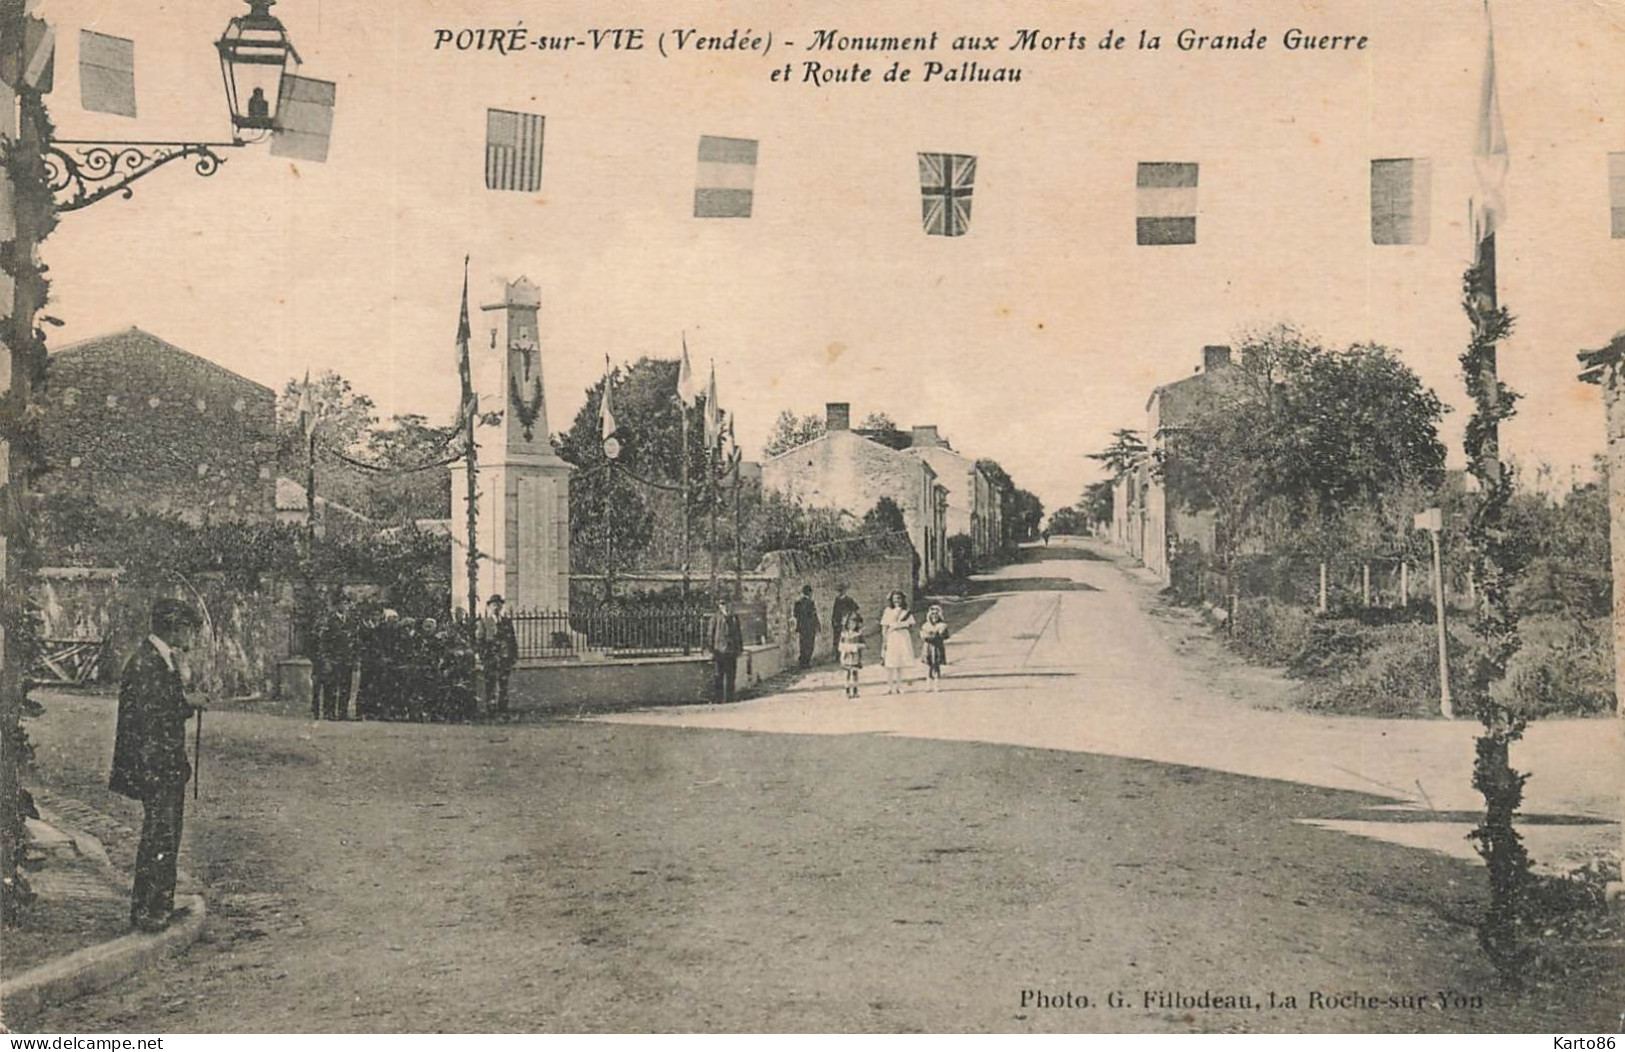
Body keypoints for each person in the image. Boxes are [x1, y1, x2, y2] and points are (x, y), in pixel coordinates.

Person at [109, 598, 206, 933]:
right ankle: (151, 911)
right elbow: (154, 715)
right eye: (189, 629)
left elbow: (163, 705)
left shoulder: (159, 659)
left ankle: (156, 905)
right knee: (160, 837)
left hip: (162, 765)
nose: (192, 636)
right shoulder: (148, 662)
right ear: (174, 627)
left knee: (164, 836)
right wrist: (186, 701)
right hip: (156, 766)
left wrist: (183, 696)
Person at [476, 596, 520, 718]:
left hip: (504, 658)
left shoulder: (507, 621)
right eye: (494, 605)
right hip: (490, 658)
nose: (496, 607)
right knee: (490, 685)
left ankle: (503, 710)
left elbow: (512, 639)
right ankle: (490, 711)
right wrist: (484, 657)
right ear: (489, 607)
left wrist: (513, 656)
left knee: (503, 685)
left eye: (499, 605)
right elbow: (480, 641)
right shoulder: (484, 622)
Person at [315, 589, 354, 721]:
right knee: (331, 687)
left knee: (345, 687)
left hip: (346, 660)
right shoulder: (330, 621)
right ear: (337, 605)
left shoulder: (350, 621)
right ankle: (329, 712)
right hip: (334, 659)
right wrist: (326, 659)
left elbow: (354, 641)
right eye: (343, 603)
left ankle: (343, 712)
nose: (345, 606)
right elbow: (324, 642)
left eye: (347, 604)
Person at [879, 590, 917, 695]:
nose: (897, 601)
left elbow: (911, 625)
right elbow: (884, 626)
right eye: (895, 599)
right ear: (891, 600)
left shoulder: (906, 611)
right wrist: (885, 640)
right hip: (892, 637)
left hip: (903, 637)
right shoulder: (888, 611)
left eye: (899, 598)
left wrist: (902, 625)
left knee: (900, 663)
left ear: (902, 599)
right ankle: (889, 687)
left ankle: (899, 686)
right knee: (890, 663)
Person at [709, 597, 744, 703]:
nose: (725, 606)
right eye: (722, 604)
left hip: (731, 651)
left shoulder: (734, 617)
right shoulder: (715, 618)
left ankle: (730, 698)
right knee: (718, 676)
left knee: (731, 676)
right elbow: (710, 634)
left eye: (727, 604)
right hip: (719, 651)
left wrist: (740, 648)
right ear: (719, 606)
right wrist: (711, 649)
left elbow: (738, 634)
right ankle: (718, 699)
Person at [919, 605, 951, 690]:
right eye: (932, 614)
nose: (934, 616)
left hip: (937, 646)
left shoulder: (942, 625)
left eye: (936, 614)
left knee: (936, 665)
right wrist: (929, 635)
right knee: (929, 665)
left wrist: (936, 635)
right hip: (928, 647)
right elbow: (923, 635)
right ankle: (928, 685)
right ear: (929, 615)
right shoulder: (926, 625)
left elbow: (945, 636)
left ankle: (937, 685)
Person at [838, 612, 866, 699]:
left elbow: (864, 644)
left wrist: (856, 646)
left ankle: (855, 690)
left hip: (855, 656)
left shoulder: (858, 634)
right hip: (846, 656)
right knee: (846, 673)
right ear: (847, 624)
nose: (852, 625)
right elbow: (840, 645)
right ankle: (847, 691)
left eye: (854, 623)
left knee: (854, 673)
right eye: (850, 623)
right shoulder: (844, 634)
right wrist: (844, 649)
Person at [792, 584, 819, 668]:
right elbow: (813, 615)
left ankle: (802, 662)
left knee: (803, 644)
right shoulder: (811, 603)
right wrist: (817, 625)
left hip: (801, 627)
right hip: (810, 627)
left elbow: (795, 614)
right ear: (809, 593)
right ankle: (806, 662)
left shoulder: (798, 603)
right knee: (810, 645)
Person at [830, 584, 859, 658]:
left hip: (845, 622)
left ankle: (845, 654)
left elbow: (856, 608)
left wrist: (848, 615)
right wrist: (833, 620)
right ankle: (837, 655)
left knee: (845, 638)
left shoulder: (848, 600)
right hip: (838, 622)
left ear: (844, 591)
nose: (839, 592)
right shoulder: (837, 600)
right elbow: (835, 611)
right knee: (837, 639)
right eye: (838, 591)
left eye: (841, 591)